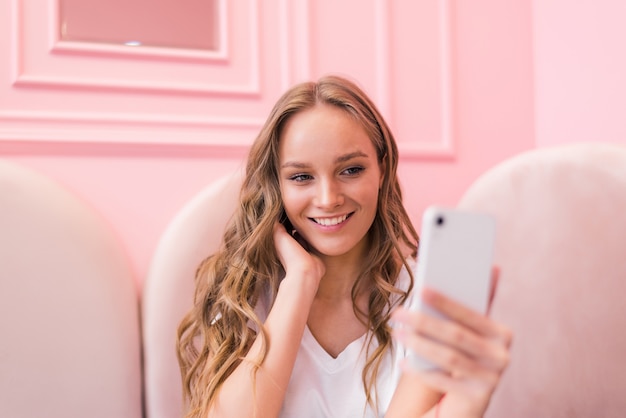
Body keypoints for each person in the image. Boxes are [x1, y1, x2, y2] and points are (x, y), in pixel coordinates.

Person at [176, 75, 512, 418]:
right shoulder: (245, 296)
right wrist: (300, 281)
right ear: (276, 186)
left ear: (382, 169)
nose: (328, 199)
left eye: (350, 170)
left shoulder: (422, 299)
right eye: (301, 177)